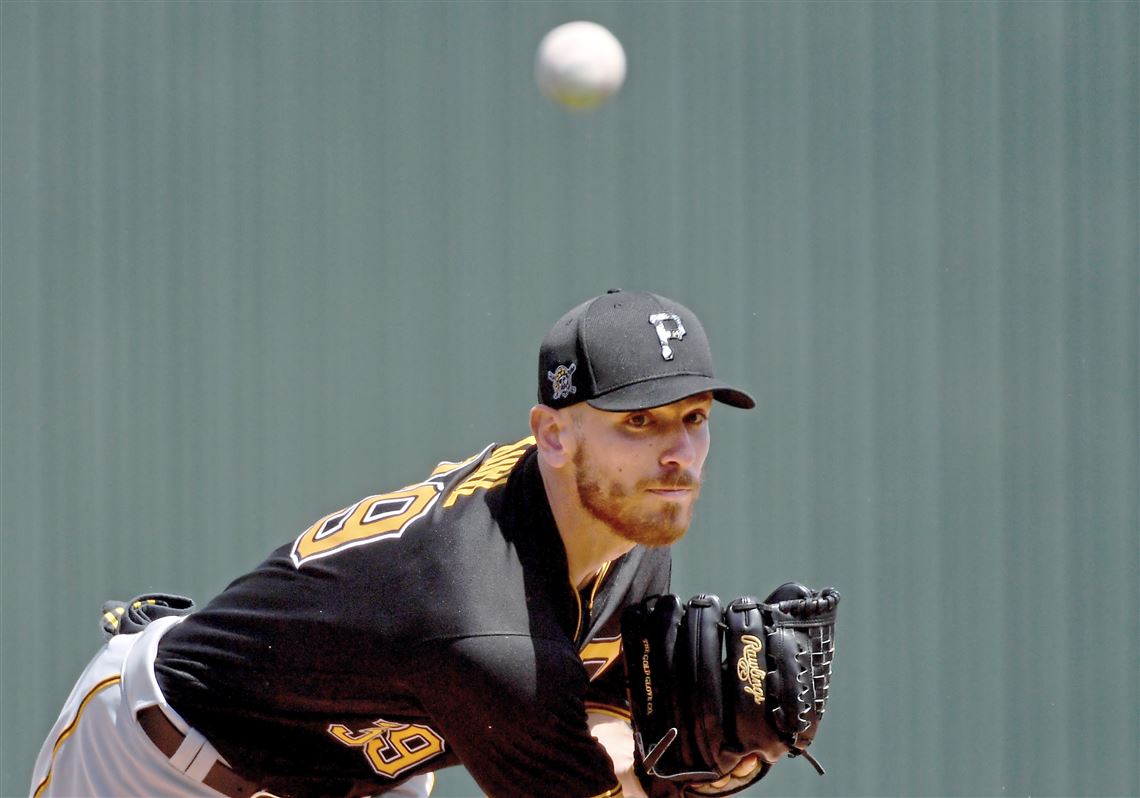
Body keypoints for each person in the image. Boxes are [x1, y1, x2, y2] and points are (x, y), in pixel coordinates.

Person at [30, 289, 761, 798]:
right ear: (553, 436)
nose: (678, 453)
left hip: (351, 772)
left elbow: (591, 723)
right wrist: (703, 775)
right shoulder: (482, 625)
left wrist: (700, 753)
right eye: (638, 422)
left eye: (693, 417)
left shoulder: (629, 527)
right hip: (160, 765)